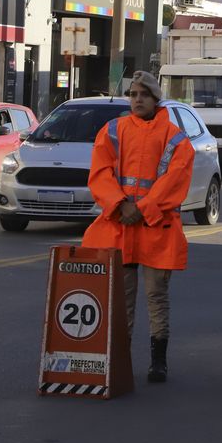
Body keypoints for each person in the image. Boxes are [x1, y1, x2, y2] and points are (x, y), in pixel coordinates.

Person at [82, 71, 194, 384]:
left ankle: (158, 363)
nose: (137, 99)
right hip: (121, 225)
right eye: (133, 94)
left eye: (144, 94)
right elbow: (99, 173)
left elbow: (175, 180)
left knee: (157, 296)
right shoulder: (113, 130)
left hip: (154, 226)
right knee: (121, 299)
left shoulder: (176, 139)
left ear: (156, 99)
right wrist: (121, 205)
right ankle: (121, 359)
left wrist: (139, 209)